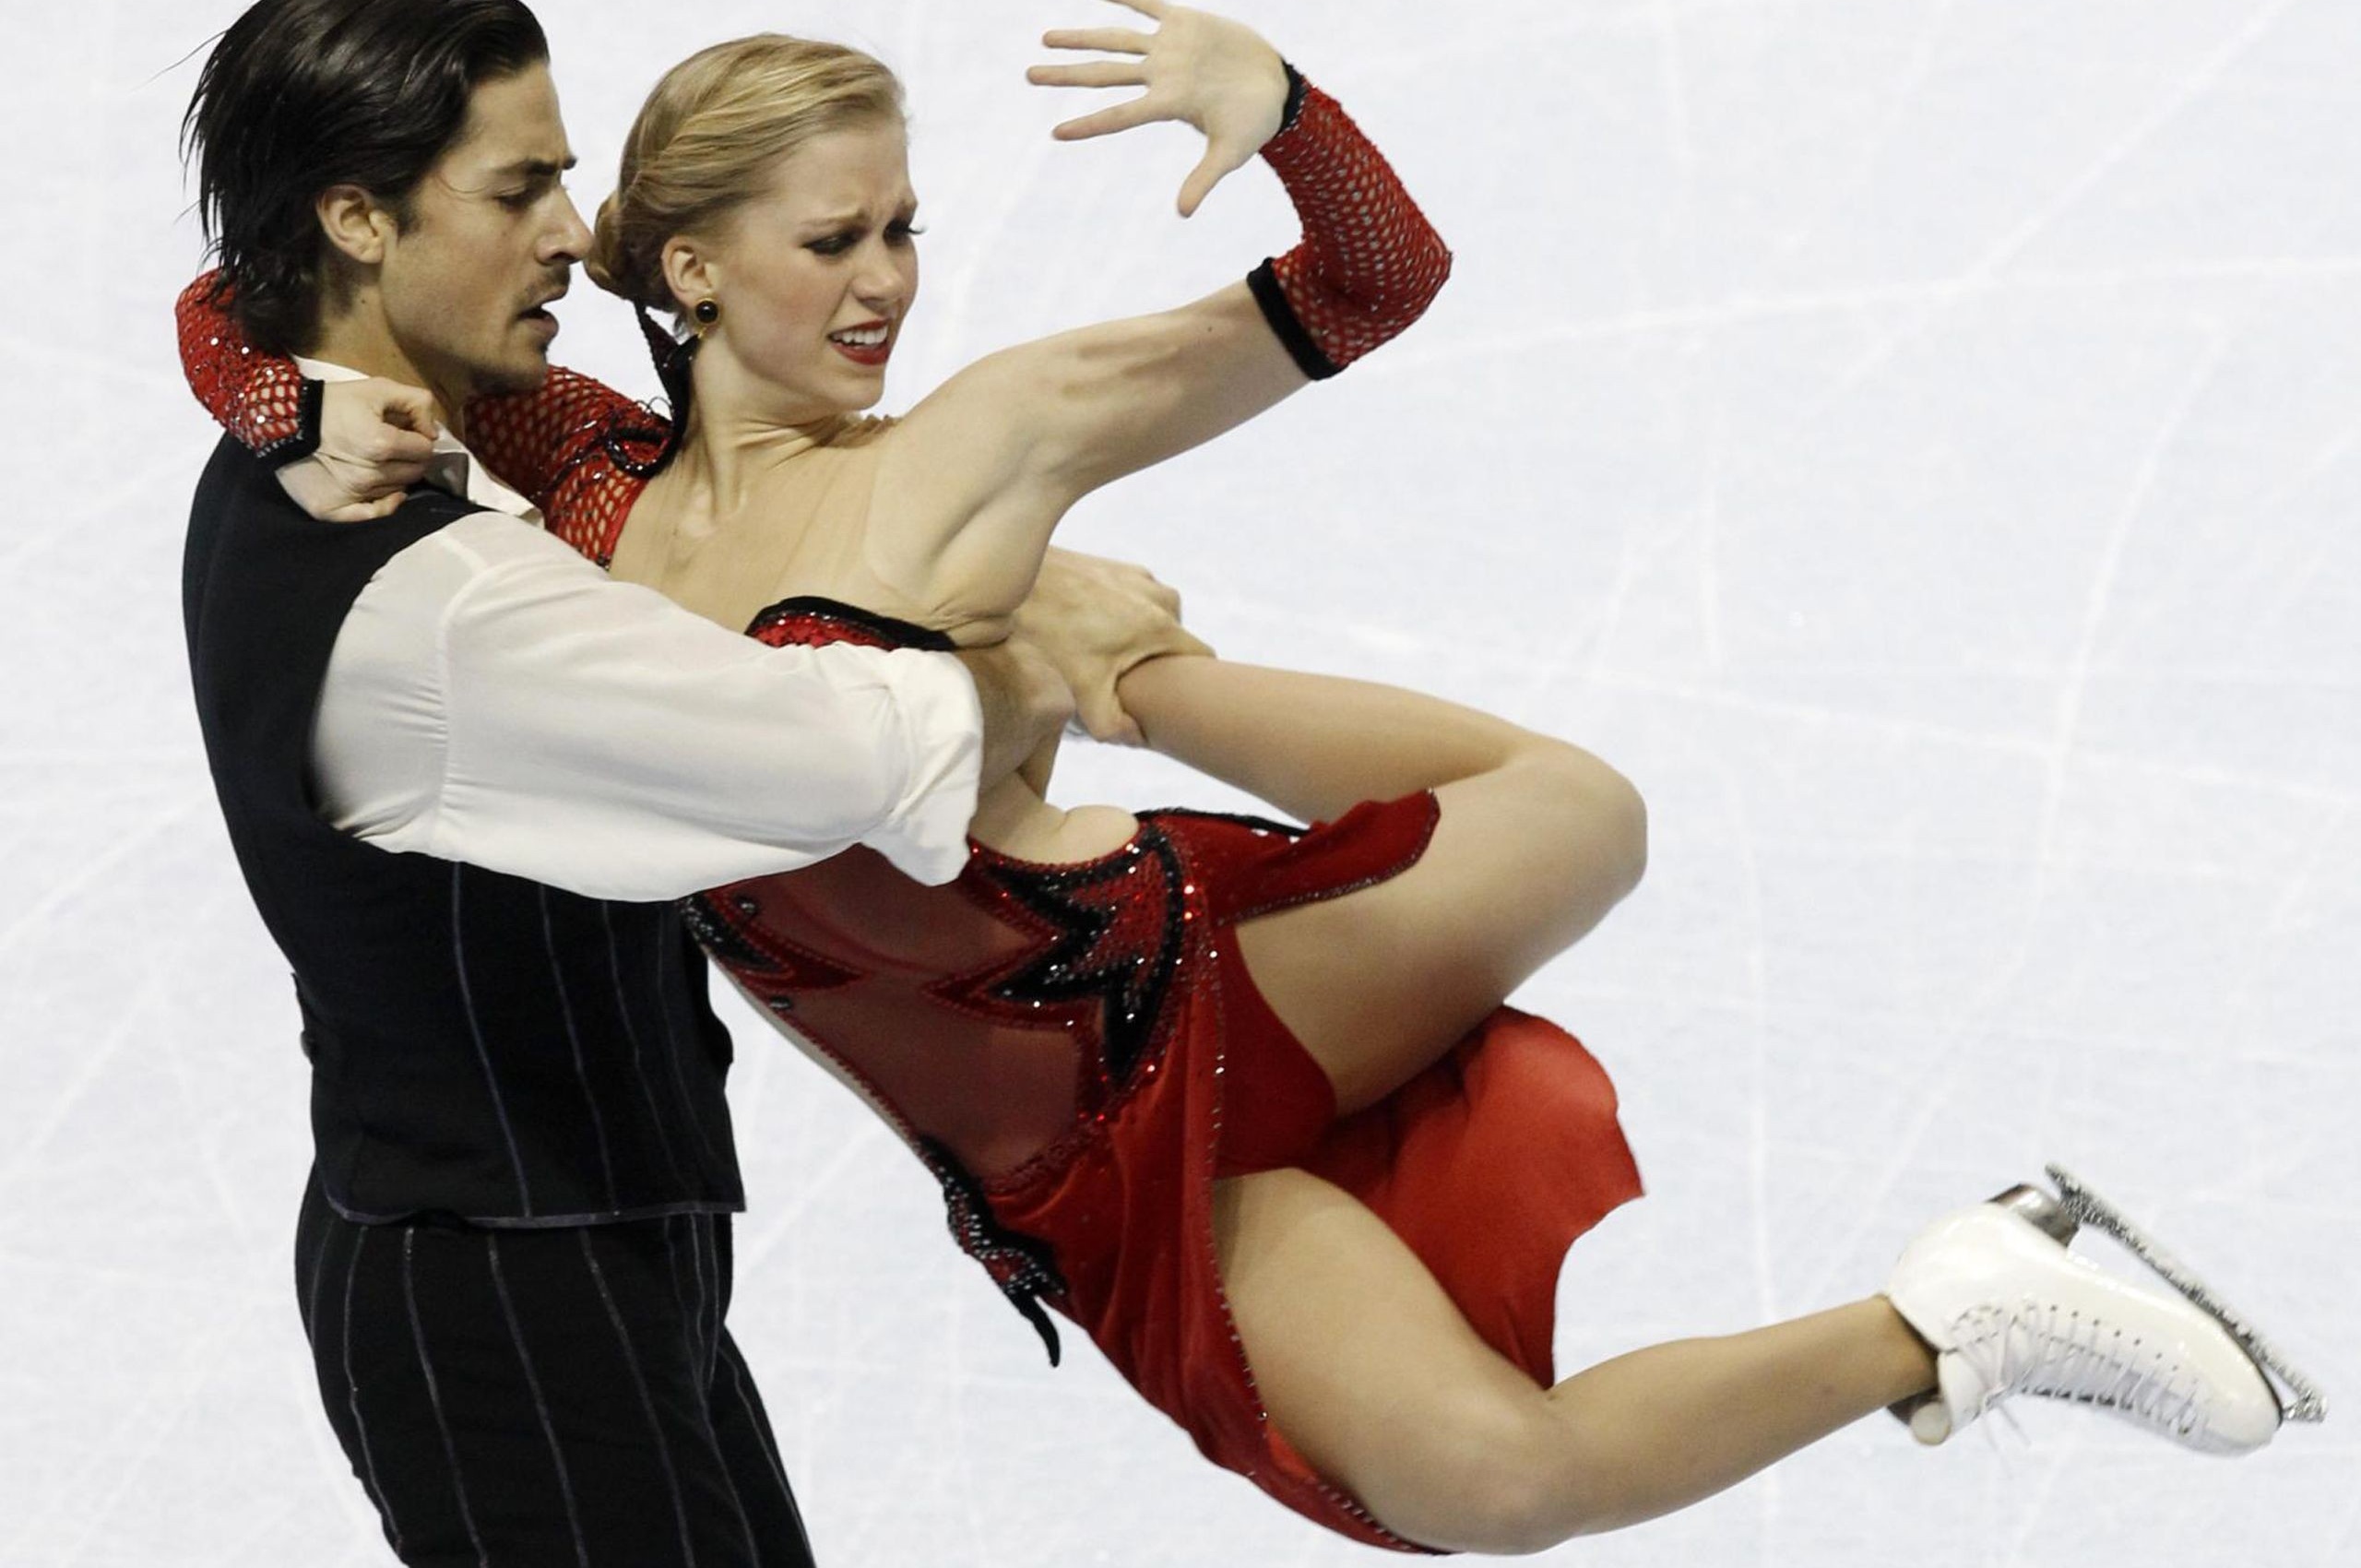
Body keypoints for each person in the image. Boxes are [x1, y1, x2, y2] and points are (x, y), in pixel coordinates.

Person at [184, 0, 2299, 1553]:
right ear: (687, 265)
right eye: (833, 238)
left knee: (1584, 815)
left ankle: (1156, 679)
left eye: (902, 228)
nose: (889, 281)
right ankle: (1955, 1313)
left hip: (1155, 981)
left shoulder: (984, 431)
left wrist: (1279, 116)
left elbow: (1369, 280)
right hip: (1051, 1162)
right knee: (1492, 1480)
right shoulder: (572, 476)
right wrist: (272, 396)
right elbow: (257, 287)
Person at [174, 2, 1199, 1564]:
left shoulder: (333, 450)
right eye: (519, 191)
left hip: (566, 1250)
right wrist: (1017, 638)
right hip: (510, 1288)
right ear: (358, 217)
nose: (574, 239)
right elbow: (845, 755)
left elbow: (225, 300)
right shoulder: (440, 604)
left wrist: (265, 387)